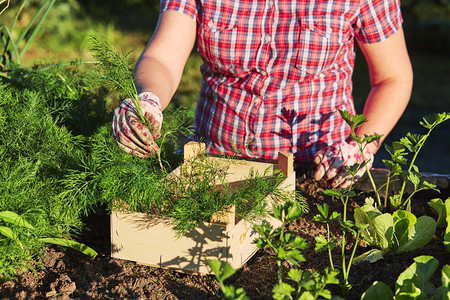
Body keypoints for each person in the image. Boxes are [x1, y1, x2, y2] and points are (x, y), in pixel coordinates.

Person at [112, 0, 413, 188]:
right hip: (214, 171)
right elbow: (163, 57)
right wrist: (148, 98)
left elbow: (393, 77)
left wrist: (361, 146)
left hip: (318, 175)